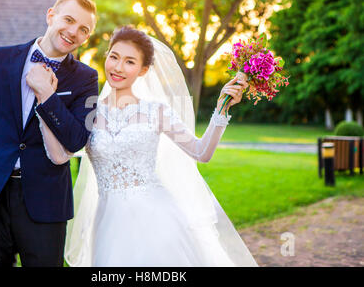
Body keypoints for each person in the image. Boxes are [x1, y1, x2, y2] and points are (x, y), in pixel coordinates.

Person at [36, 26, 258, 266]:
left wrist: (221, 109)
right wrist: (44, 101)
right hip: (108, 226)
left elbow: (201, 152)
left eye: (130, 62)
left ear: (143, 70)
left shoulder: (156, 111)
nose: (118, 67)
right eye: (114, 57)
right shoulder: (87, 112)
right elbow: (59, 156)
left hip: (158, 222)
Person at [0, 0, 99, 267]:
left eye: (83, 30)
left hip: (47, 202)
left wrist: (47, 96)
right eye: (68, 20)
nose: (73, 32)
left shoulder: (87, 78)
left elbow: (76, 139)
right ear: (50, 15)